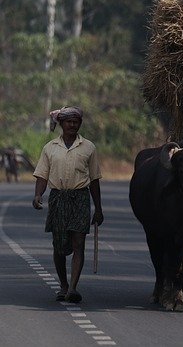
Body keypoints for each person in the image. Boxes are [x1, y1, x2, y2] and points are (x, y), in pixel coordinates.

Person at [32, 106, 104, 303]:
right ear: (61, 124)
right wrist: (38, 195)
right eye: (68, 121)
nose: (72, 124)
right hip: (58, 199)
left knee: (78, 243)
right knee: (59, 246)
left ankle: (72, 288)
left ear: (79, 124)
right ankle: (63, 285)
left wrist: (98, 209)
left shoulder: (89, 147)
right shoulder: (50, 148)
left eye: (76, 121)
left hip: (80, 198)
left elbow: (95, 179)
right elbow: (42, 175)